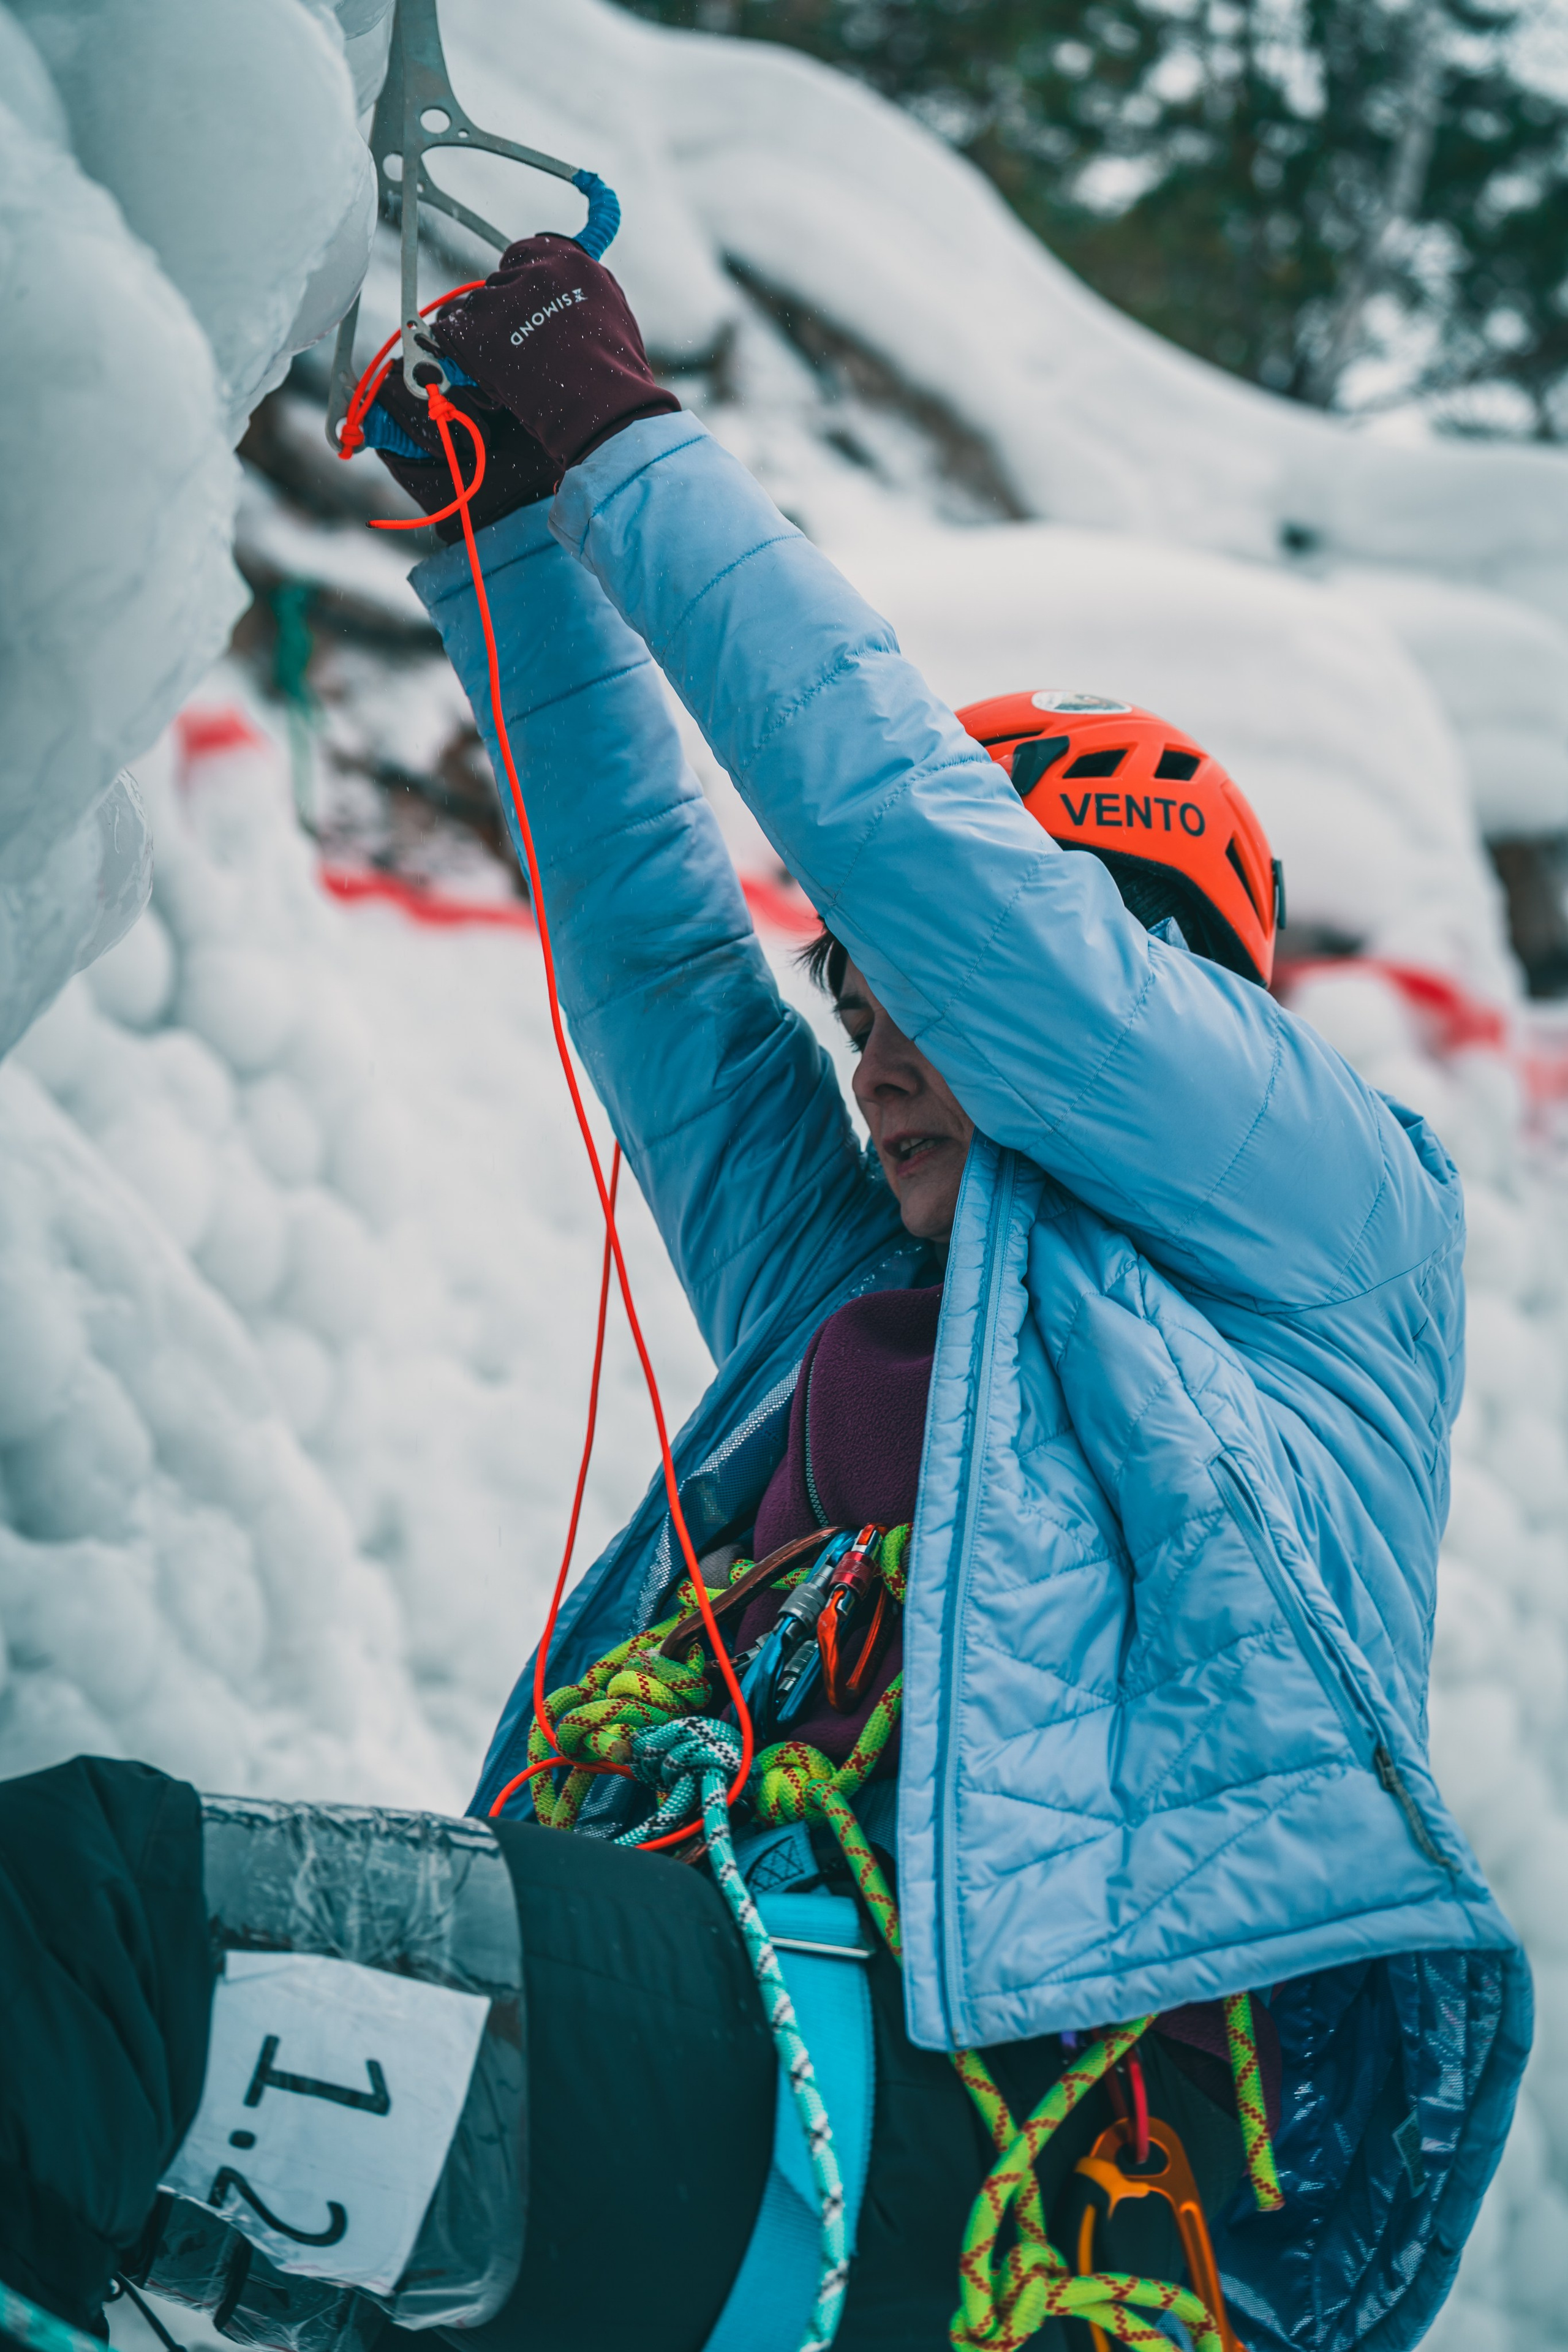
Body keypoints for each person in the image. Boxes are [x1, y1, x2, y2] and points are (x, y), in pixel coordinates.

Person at [0, 233, 1529, 2352]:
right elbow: (664, 965)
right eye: (857, 1000)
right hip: (767, 2102)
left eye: (927, 991)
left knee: (83, 1941)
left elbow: (928, 863)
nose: (876, 1041)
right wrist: (508, 532)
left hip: (980, 2138)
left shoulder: (1340, 1227)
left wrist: (624, 436)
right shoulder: (868, 1303)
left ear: (1164, 992)